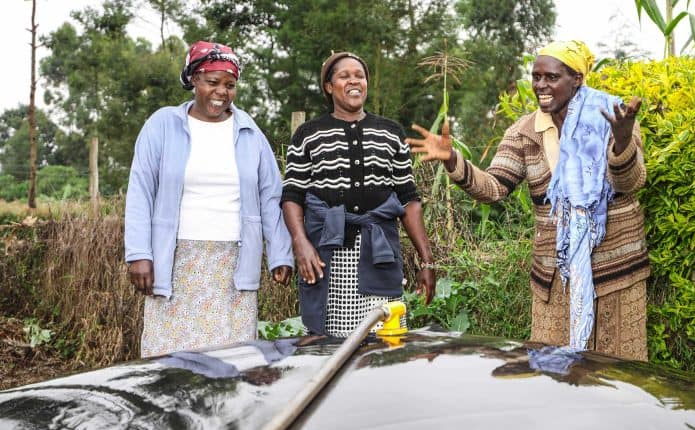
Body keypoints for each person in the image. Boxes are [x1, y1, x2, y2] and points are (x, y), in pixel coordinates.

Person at [407, 40, 649, 361]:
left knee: (617, 377)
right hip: (555, 279)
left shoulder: (612, 118)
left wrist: (621, 143)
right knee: (553, 377)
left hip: (616, 274)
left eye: (551, 77)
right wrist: (453, 160)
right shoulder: (524, 132)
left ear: (576, 79)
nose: (540, 86)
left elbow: (630, 183)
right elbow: (494, 187)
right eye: (536, 77)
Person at [125, 41, 294, 358]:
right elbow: (140, 191)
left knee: (231, 362)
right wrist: (138, 253)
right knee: (170, 361)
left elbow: (271, 196)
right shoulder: (163, 125)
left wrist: (280, 254)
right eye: (212, 82)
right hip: (175, 262)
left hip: (232, 265)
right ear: (193, 80)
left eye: (230, 85)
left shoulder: (249, 132)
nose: (221, 92)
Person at [281, 52, 436, 337]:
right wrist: (300, 244)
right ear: (329, 86)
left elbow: (408, 200)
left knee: (384, 342)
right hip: (326, 256)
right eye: (344, 76)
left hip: (379, 254)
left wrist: (426, 260)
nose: (354, 81)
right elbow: (292, 196)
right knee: (328, 346)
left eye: (360, 76)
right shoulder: (308, 134)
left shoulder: (390, 133)